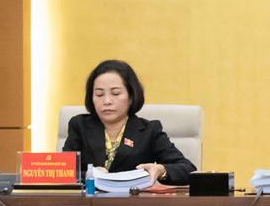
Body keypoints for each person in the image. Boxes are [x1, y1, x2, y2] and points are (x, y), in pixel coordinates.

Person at [62, 59, 197, 185]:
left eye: (115, 93)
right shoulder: (79, 126)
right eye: (99, 94)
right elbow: (63, 172)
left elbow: (188, 169)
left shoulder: (149, 130)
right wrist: (89, 175)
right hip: (89, 201)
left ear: (131, 96)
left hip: (133, 201)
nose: (107, 101)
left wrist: (161, 170)